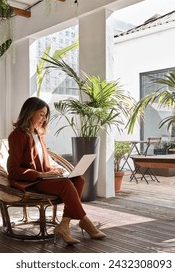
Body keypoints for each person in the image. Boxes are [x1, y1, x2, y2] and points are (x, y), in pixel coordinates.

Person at [7, 97, 106, 245]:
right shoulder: (17, 136)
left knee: (79, 179)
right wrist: (40, 174)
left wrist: (53, 169)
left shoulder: (38, 135)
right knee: (66, 185)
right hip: (30, 181)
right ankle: (85, 221)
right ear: (29, 113)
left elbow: (42, 162)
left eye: (46, 115)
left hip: (42, 178)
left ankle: (64, 225)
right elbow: (13, 170)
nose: (44, 118)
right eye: (41, 114)